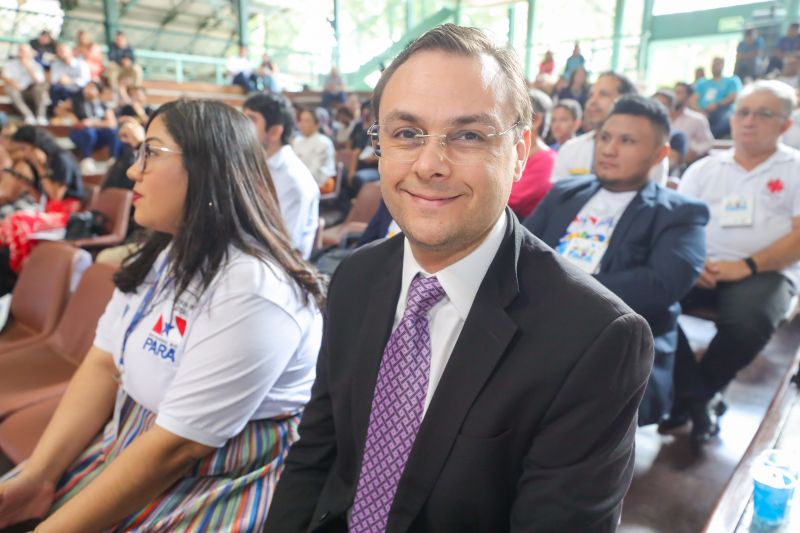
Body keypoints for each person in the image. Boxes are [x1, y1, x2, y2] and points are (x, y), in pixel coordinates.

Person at [266, 24, 653, 532]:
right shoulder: (355, 278)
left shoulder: (596, 337)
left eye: (468, 135)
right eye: (406, 134)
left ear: (519, 153)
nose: (430, 164)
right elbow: (316, 452)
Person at [0, 99, 324, 531]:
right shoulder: (167, 251)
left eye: (150, 152)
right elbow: (103, 364)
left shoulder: (254, 290)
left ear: (207, 168)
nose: (134, 170)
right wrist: (38, 476)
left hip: (214, 477)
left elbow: (176, 448)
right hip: (137, 443)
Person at [525, 95, 708, 426]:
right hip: (539, 324)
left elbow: (659, 288)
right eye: (605, 137)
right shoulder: (564, 192)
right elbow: (520, 252)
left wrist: (554, 285)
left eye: (627, 141)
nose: (609, 149)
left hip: (614, 339)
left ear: (659, 154)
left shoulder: (678, 213)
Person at [662, 80, 800, 445]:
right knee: (649, 301)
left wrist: (748, 266)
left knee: (748, 322)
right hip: (699, 264)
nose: (749, 121)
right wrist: (695, 261)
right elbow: (677, 224)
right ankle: (697, 397)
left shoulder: (795, 168)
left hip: (765, 273)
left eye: (763, 114)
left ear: (785, 124)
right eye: (743, 112)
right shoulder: (704, 169)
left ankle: (694, 396)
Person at [552, 71, 668, 185]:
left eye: (603, 94)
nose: (592, 101)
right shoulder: (570, 149)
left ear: (625, 100)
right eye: (590, 95)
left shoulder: (648, 153)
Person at [243, 93, 320, 259]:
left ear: (275, 132)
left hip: (278, 268)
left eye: (251, 119)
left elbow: (285, 245)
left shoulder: (292, 179)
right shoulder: (256, 164)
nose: (241, 126)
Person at [508, 89, 556, 218]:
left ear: (536, 120)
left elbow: (513, 199)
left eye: (515, 115)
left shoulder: (547, 160)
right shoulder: (513, 149)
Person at [10, 126, 82, 200]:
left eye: (24, 148)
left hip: (66, 204)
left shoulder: (61, 159)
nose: (24, 153)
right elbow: (38, 196)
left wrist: (39, 166)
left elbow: (55, 196)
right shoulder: (35, 162)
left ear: (36, 146)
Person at [68, 81, 121, 175]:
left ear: (98, 92)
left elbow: (112, 123)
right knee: (88, 132)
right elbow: (62, 112)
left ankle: (112, 160)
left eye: (92, 87)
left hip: (98, 133)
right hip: (82, 133)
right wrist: (76, 120)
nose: (87, 89)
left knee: (112, 132)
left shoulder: (103, 105)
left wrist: (93, 122)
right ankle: (86, 160)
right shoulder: (76, 102)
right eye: (87, 86)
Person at [694, 57, 742, 139]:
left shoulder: (732, 80)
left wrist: (717, 105)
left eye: (717, 64)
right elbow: (693, 99)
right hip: (701, 110)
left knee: (726, 119)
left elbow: (733, 96)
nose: (714, 66)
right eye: (713, 64)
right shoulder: (702, 82)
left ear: (723, 65)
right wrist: (700, 111)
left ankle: (710, 139)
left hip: (722, 109)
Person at [2, 44, 48, 125]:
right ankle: (28, 116)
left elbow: (39, 81)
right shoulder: (10, 63)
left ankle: (41, 116)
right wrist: (13, 83)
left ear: (30, 53)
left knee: (40, 90)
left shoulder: (36, 65)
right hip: (16, 90)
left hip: (31, 91)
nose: (22, 53)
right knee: (10, 89)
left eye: (24, 51)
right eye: (20, 50)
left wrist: (28, 67)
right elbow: (4, 76)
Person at [292, 107, 337, 190]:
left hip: (321, 182)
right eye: (300, 120)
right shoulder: (296, 141)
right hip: (299, 180)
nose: (301, 124)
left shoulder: (324, 142)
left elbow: (316, 172)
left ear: (317, 124)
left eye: (306, 121)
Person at [671, 82, 715, 163]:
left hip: (686, 163)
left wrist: (695, 151)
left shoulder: (697, 119)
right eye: (674, 92)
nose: (674, 96)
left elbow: (708, 143)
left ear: (688, 97)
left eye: (679, 93)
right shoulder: (662, 117)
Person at [48, 43, 91, 112]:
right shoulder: (55, 64)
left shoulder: (81, 64)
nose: (60, 53)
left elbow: (85, 80)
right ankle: (56, 112)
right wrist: (62, 81)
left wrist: (70, 81)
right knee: (54, 89)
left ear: (70, 52)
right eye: (58, 51)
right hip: (63, 91)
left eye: (62, 51)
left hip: (78, 91)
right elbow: (54, 80)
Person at [107, 31, 144, 103]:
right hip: (118, 67)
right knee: (111, 66)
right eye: (117, 39)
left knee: (137, 68)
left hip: (128, 67)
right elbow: (111, 57)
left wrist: (129, 61)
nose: (119, 41)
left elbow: (133, 58)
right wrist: (121, 61)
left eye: (120, 39)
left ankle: (136, 88)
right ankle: (115, 89)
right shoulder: (112, 46)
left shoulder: (129, 47)